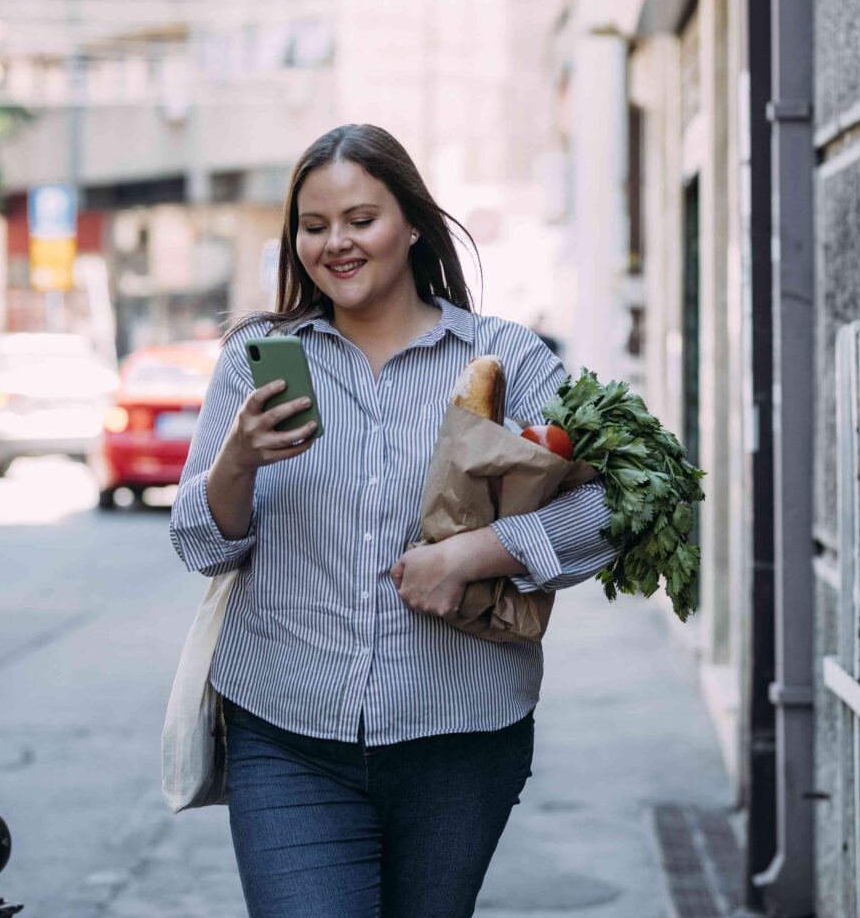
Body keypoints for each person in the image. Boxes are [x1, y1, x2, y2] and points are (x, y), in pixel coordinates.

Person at [169, 124, 617, 918]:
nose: (335, 243)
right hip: (286, 733)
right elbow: (200, 542)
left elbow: (616, 507)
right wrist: (237, 457)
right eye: (314, 226)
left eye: (360, 219)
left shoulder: (505, 358)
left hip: (460, 736)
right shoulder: (260, 361)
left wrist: (479, 552)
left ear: (412, 223)